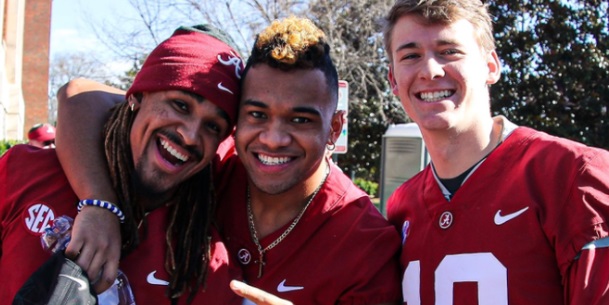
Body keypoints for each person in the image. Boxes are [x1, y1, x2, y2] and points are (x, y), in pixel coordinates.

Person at [55, 16, 402, 305]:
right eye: (257, 114)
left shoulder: (366, 243)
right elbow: (79, 96)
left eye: (300, 120)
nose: (273, 138)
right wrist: (100, 205)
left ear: (334, 128)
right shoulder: (212, 163)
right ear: (236, 121)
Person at [383, 0, 609, 304]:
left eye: (450, 51)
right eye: (411, 55)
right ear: (393, 81)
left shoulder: (575, 175)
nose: (431, 70)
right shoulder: (401, 206)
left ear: (490, 66)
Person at [0, 24, 244, 304]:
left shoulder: (204, 258)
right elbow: (77, 92)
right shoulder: (26, 171)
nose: (190, 135)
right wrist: (99, 204)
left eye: (213, 126)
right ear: (138, 96)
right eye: (180, 105)